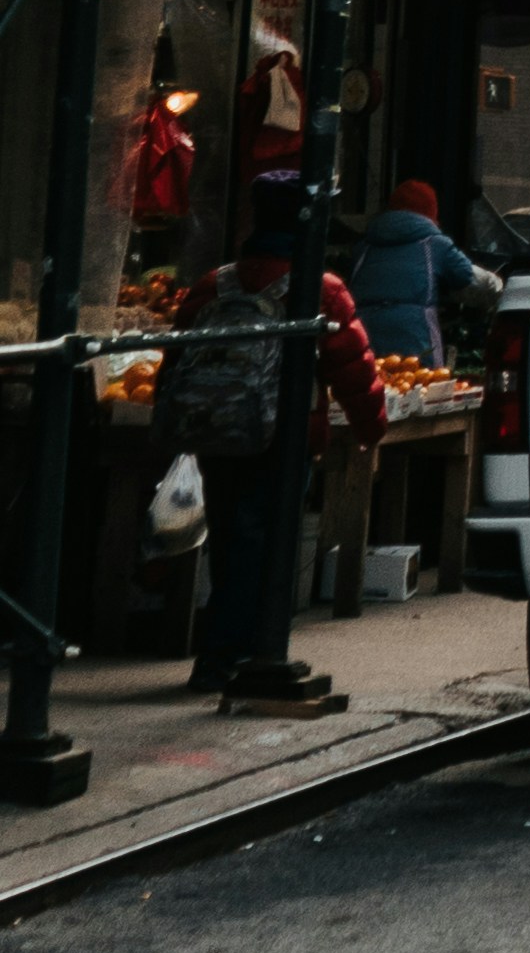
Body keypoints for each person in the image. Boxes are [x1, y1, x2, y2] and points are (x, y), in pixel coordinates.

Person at [156, 177, 386, 698]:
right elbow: (352, 366)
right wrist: (371, 427)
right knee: (270, 543)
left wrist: (174, 425)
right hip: (285, 436)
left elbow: (176, 362)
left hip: (218, 435)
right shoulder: (320, 287)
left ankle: (226, 652)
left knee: (232, 540)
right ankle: (237, 657)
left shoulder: (215, 284)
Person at [348, 173, 490, 368]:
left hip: (366, 337)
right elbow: (469, 277)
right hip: (415, 338)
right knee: (421, 387)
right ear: (430, 215)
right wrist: (500, 287)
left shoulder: (364, 248)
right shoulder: (433, 244)